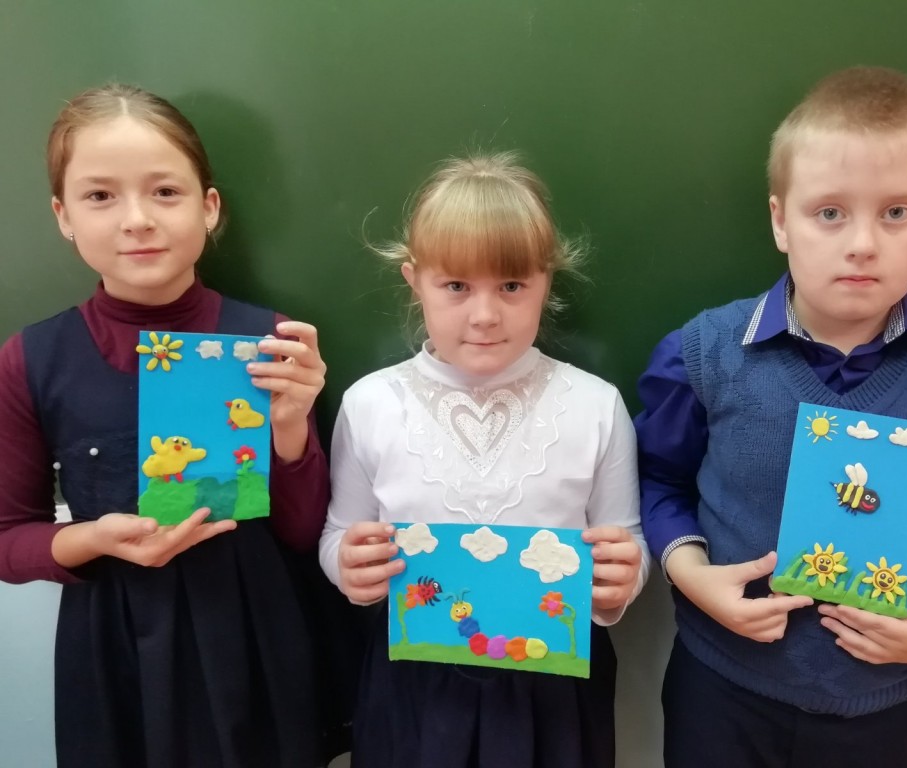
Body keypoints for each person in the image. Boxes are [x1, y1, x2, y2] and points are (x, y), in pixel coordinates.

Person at [635, 66, 907, 768]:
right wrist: (691, 574)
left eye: (897, 212)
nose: (863, 243)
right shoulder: (703, 354)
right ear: (781, 220)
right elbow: (660, 482)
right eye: (830, 213)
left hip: (882, 709)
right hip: (721, 690)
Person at [0, 84, 332, 768]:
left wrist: (291, 428)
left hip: (253, 635)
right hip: (115, 648)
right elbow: (6, 538)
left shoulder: (270, 342)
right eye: (100, 196)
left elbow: (304, 532)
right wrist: (91, 538)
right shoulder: (31, 358)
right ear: (63, 216)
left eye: (165, 192)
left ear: (209, 208)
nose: (137, 220)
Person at [319, 152, 650, 768]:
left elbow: (623, 542)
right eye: (456, 286)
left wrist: (621, 581)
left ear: (545, 281)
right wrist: (347, 566)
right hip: (413, 681)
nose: (485, 314)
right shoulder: (370, 403)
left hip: (552, 685)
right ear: (414, 280)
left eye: (512, 286)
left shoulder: (594, 405)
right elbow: (340, 531)